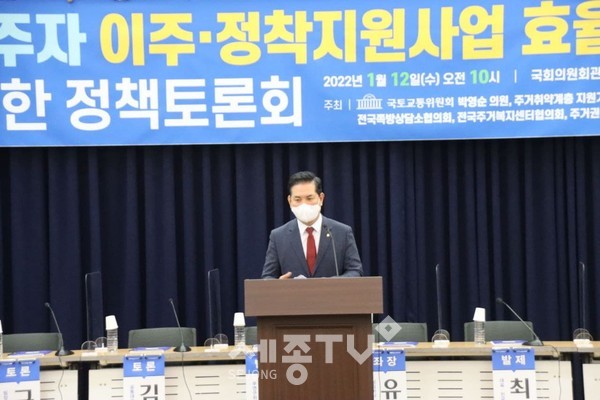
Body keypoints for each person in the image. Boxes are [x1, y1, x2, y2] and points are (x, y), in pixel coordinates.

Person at [261, 171, 364, 279]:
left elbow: (355, 271)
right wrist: (280, 285)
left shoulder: (342, 232)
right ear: (290, 201)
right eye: (297, 199)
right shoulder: (278, 236)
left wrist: (331, 283)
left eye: (309, 198)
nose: (304, 204)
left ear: (321, 198)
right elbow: (268, 276)